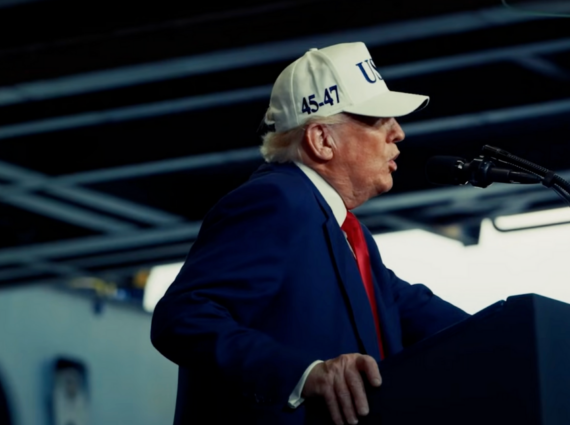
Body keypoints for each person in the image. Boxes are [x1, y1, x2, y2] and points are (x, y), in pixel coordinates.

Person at [150, 41, 469, 425]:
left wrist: (522, 330)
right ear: (321, 140)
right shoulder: (275, 201)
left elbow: (420, 311)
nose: (398, 132)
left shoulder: (348, 235)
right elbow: (182, 317)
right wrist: (304, 374)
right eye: (377, 118)